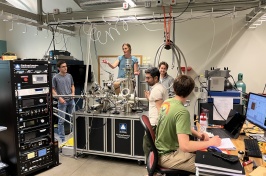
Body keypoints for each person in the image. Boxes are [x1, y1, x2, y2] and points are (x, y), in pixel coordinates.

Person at [155, 75, 221, 173]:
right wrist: (211, 143)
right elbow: (185, 146)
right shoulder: (182, 112)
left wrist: (198, 134)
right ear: (190, 93)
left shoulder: (167, 102)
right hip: (168, 156)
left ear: (173, 88)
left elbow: (179, 126)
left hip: (160, 152)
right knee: (211, 168)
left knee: (201, 155)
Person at [143, 67, 168, 159]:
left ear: (156, 78)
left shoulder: (157, 90)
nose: (146, 80)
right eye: (146, 77)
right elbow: (156, 103)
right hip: (155, 123)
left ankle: (152, 170)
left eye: (148, 78)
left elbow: (160, 110)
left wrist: (161, 127)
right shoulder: (158, 88)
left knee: (148, 146)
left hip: (155, 124)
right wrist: (149, 98)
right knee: (151, 147)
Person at [52, 60, 75, 142]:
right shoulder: (55, 77)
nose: (65, 68)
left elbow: (72, 85)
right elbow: (53, 90)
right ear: (59, 68)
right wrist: (59, 98)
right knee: (61, 121)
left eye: (66, 66)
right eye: (63, 67)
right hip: (62, 102)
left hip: (71, 101)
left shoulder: (69, 76)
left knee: (73, 119)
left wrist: (73, 93)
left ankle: (74, 137)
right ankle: (62, 140)